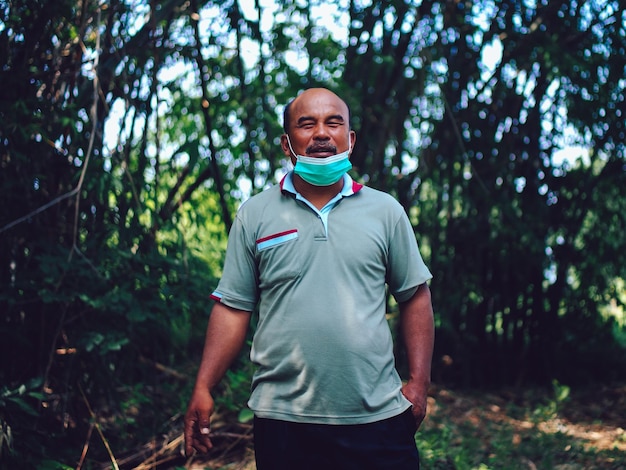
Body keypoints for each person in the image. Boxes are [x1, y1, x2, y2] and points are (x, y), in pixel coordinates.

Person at [184, 87, 435, 469]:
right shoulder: (255, 214)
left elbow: (415, 297)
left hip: (379, 418)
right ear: (287, 144)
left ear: (349, 139)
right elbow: (233, 308)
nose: (321, 133)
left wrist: (419, 383)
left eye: (334, 123)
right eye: (307, 124)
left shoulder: (386, 212)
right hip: (284, 421)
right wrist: (204, 386)